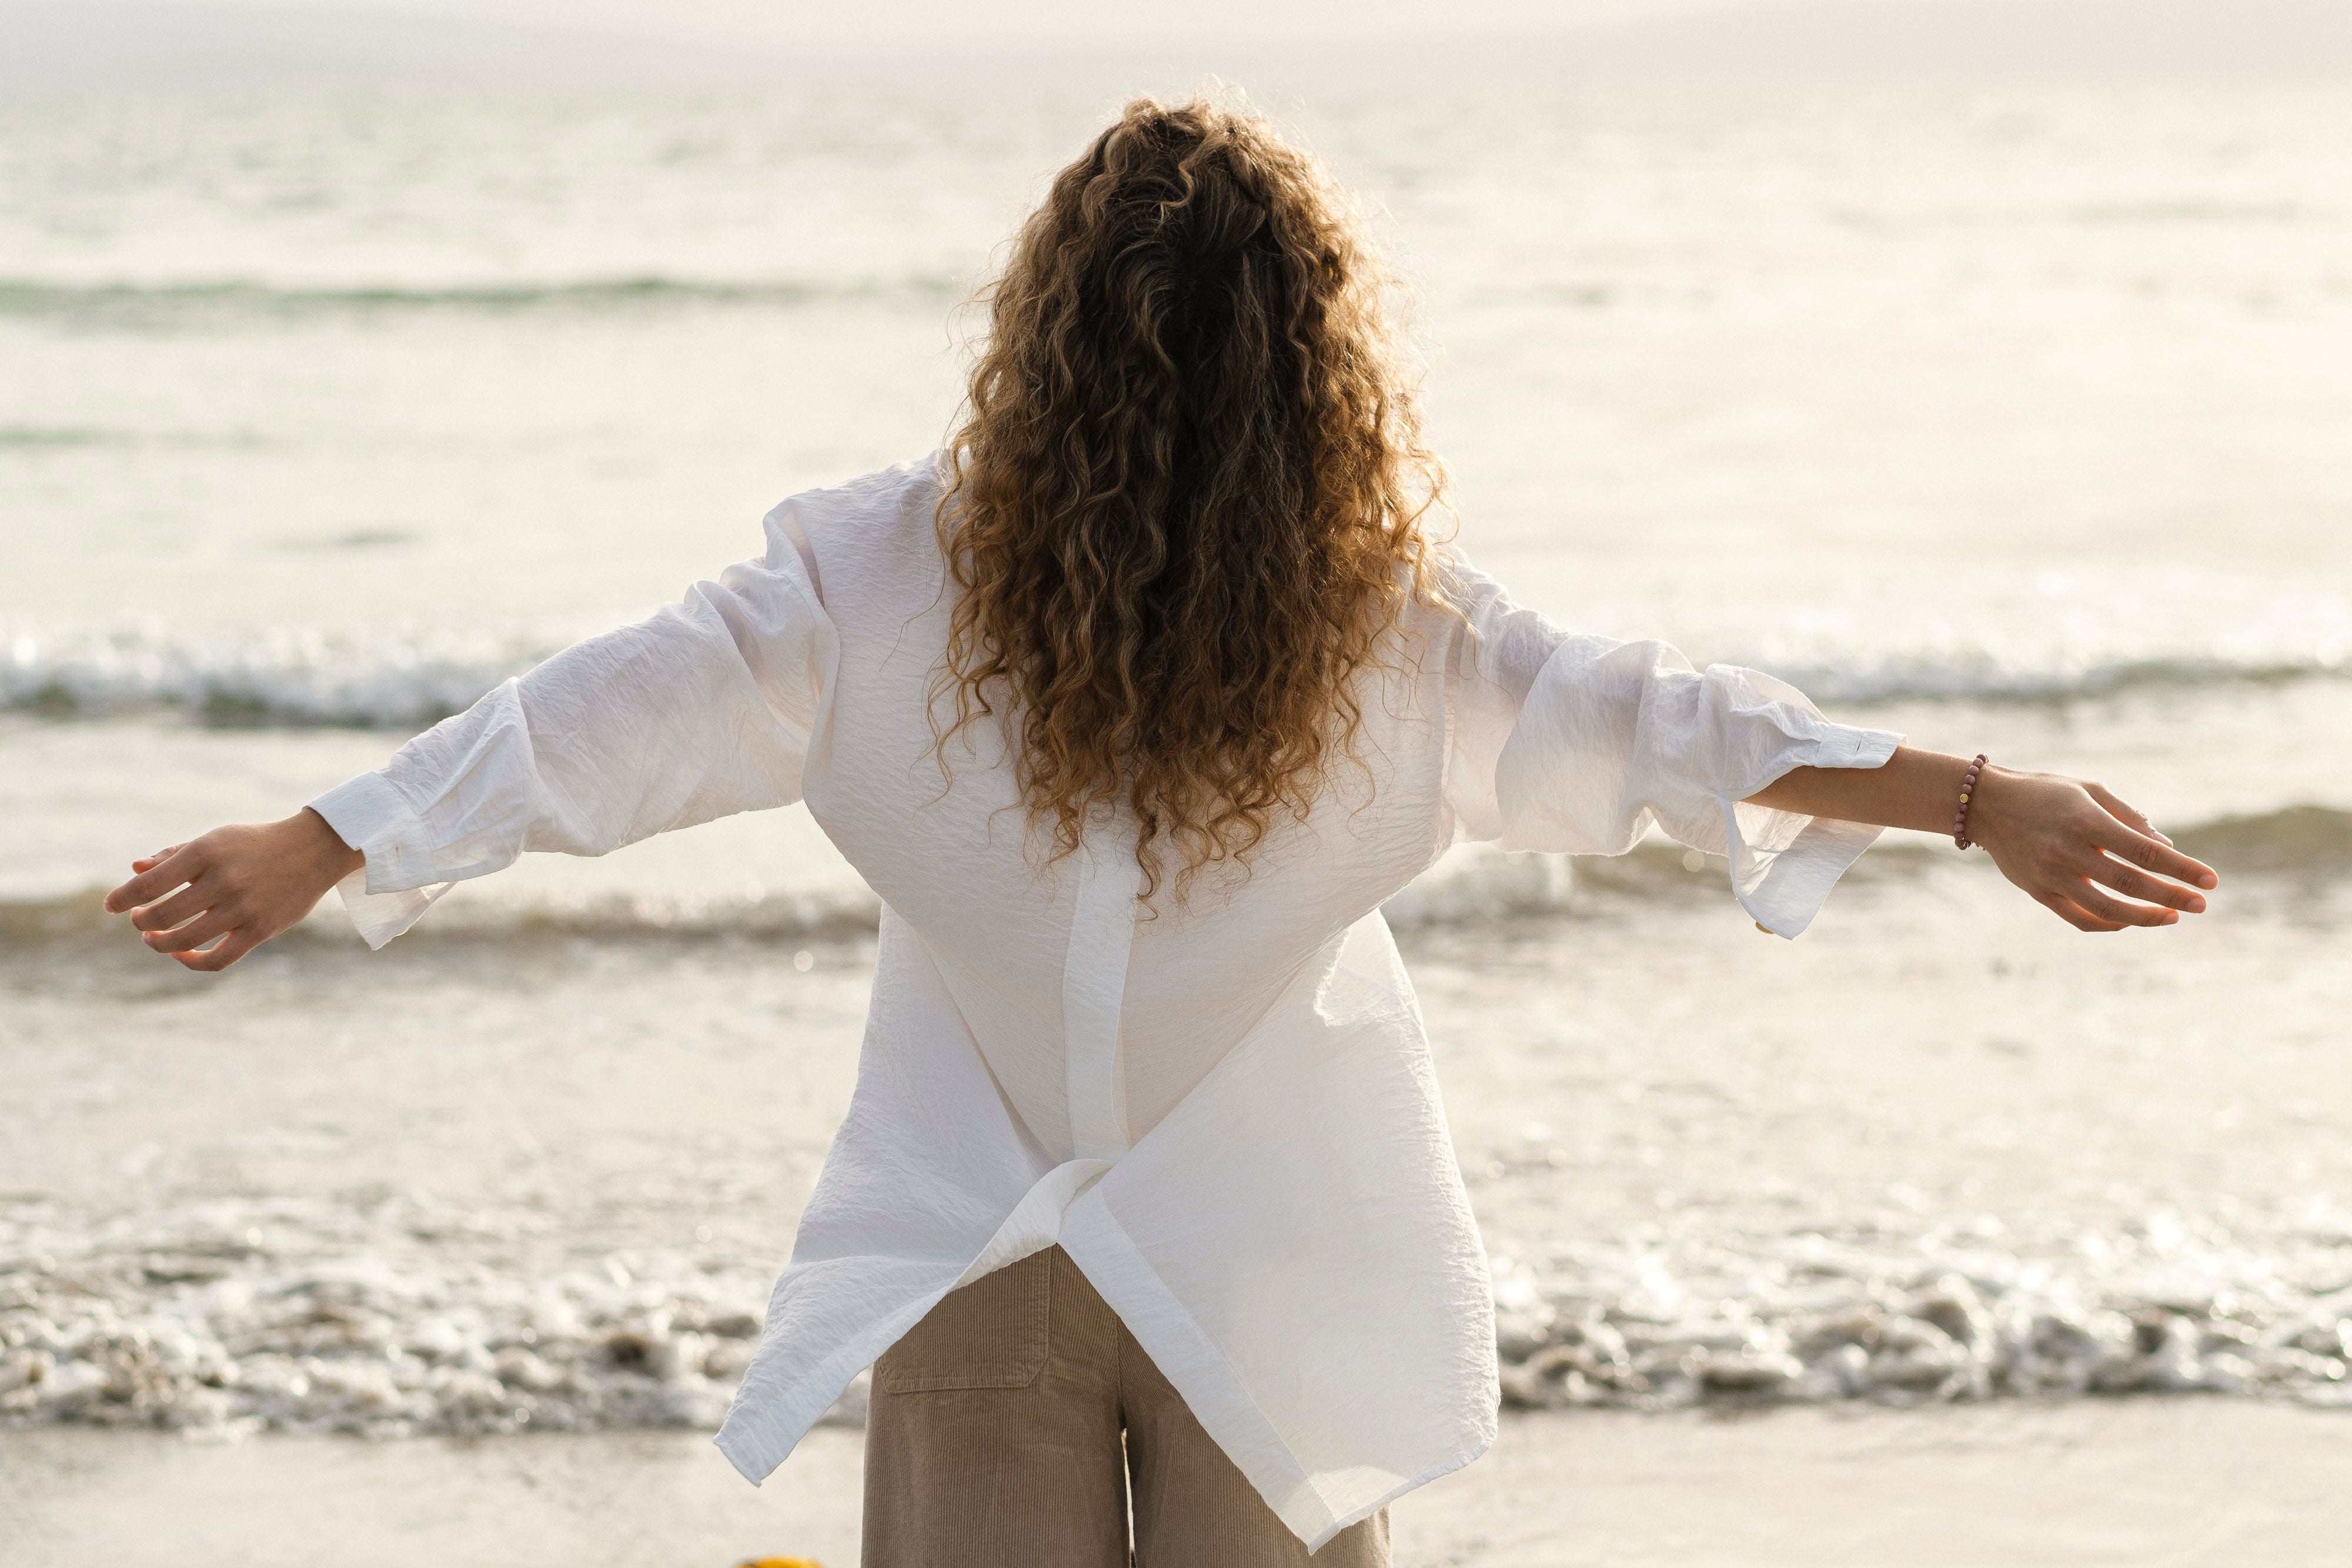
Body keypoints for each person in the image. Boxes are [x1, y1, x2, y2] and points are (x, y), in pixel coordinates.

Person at [103, 97, 2217, 1566]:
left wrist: (331, 834)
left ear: (1037, 343)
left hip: (1035, 1235)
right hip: (1200, 1237)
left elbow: (606, 711)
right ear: (1316, 369)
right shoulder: (1384, 622)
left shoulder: (878, 577)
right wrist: (1969, 797)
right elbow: (1659, 723)